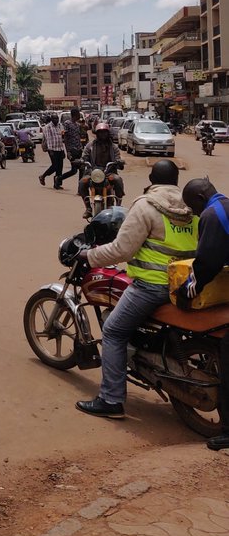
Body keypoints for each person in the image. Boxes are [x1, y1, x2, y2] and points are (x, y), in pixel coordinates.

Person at [76, 159, 197, 418]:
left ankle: (110, 400)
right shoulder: (190, 206)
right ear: (176, 180)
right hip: (185, 286)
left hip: (151, 287)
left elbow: (122, 249)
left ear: (151, 179)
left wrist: (90, 256)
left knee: (113, 331)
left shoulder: (145, 205)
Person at [175, 178, 229, 451]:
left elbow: (207, 263)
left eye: (192, 207)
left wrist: (186, 293)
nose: (193, 214)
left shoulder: (211, 214)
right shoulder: (225, 205)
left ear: (199, 197)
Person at [78, 122, 124, 219]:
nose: (103, 134)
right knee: (82, 182)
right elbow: (84, 155)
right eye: (100, 132)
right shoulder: (90, 146)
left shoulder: (113, 146)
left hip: (109, 172)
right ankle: (88, 208)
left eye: (104, 132)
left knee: (118, 180)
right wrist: (82, 161)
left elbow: (117, 157)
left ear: (108, 133)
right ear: (97, 134)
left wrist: (119, 162)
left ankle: (118, 204)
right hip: (93, 172)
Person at [59, 108, 86, 186]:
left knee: (82, 168)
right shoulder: (67, 123)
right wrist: (68, 151)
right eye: (78, 114)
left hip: (79, 149)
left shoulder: (77, 125)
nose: (79, 116)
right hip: (72, 149)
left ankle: (80, 188)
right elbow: (65, 138)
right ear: (75, 115)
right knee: (74, 170)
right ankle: (59, 178)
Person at [39, 113, 65, 189]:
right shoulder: (47, 127)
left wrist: (63, 150)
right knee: (55, 166)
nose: (56, 120)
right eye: (54, 119)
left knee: (60, 167)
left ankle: (57, 184)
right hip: (52, 149)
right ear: (51, 119)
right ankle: (43, 176)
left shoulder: (60, 126)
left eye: (57, 118)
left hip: (59, 148)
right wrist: (50, 150)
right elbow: (48, 139)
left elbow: (61, 138)